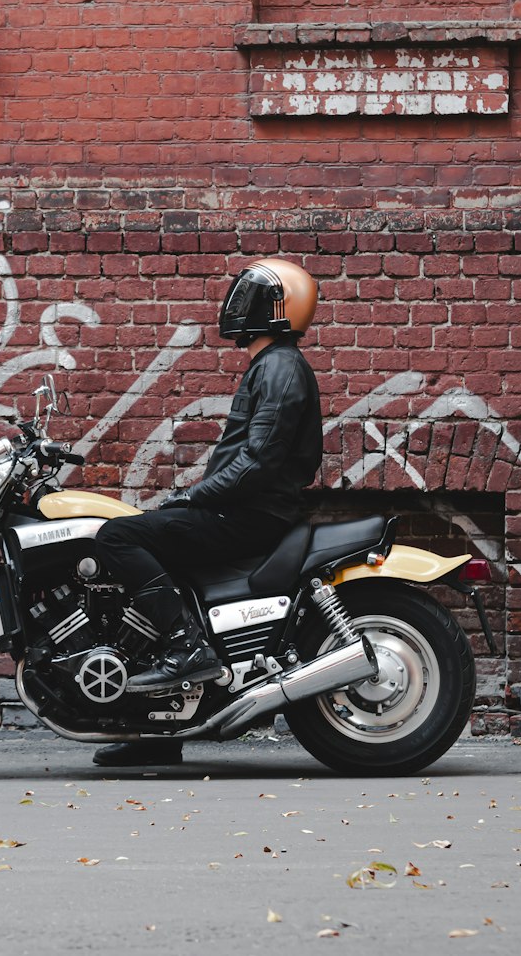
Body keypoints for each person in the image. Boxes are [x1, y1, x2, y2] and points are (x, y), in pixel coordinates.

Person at [92, 258, 323, 768]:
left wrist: (195, 497)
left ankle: (187, 647)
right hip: (244, 509)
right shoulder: (271, 364)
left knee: (115, 538)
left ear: (275, 308)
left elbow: (258, 460)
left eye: (250, 296)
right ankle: (159, 730)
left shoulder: (281, 366)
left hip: (249, 515)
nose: (237, 305)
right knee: (158, 557)